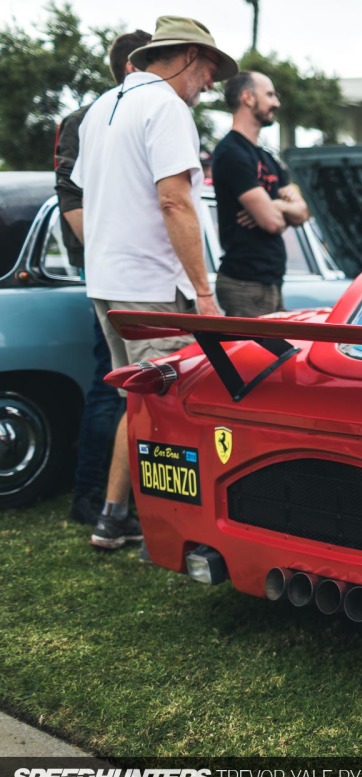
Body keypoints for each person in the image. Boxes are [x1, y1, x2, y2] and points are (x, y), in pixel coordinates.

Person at [72, 16, 237, 550]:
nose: (210, 84)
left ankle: (113, 517)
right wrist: (205, 294)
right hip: (149, 283)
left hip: (106, 278)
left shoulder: (101, 106)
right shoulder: (166, 106)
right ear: (188, 55)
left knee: (137, 403)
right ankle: (166, 531)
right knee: (171, 408)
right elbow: (174, 200)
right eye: (210, 69)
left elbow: (84, 193)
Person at [53, 29, 152, 526]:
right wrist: (111, 255)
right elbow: (72, 196)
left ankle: (118, 497)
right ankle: (90, 497)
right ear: (134, 66)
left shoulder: (132, 114)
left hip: (125, 264)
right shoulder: (87, 118)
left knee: (121, 383)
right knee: (108, 381)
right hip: (110, 268)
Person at [211, 71, 309, 318]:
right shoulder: (231, 152)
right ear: (247, 98)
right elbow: (273, 222)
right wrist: (278, 211)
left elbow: (303, 213)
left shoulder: (267, 157)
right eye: (270, 95)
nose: (276, 103)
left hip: (271, 281)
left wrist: (272, 204)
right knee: (252, 357)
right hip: (244, 283)